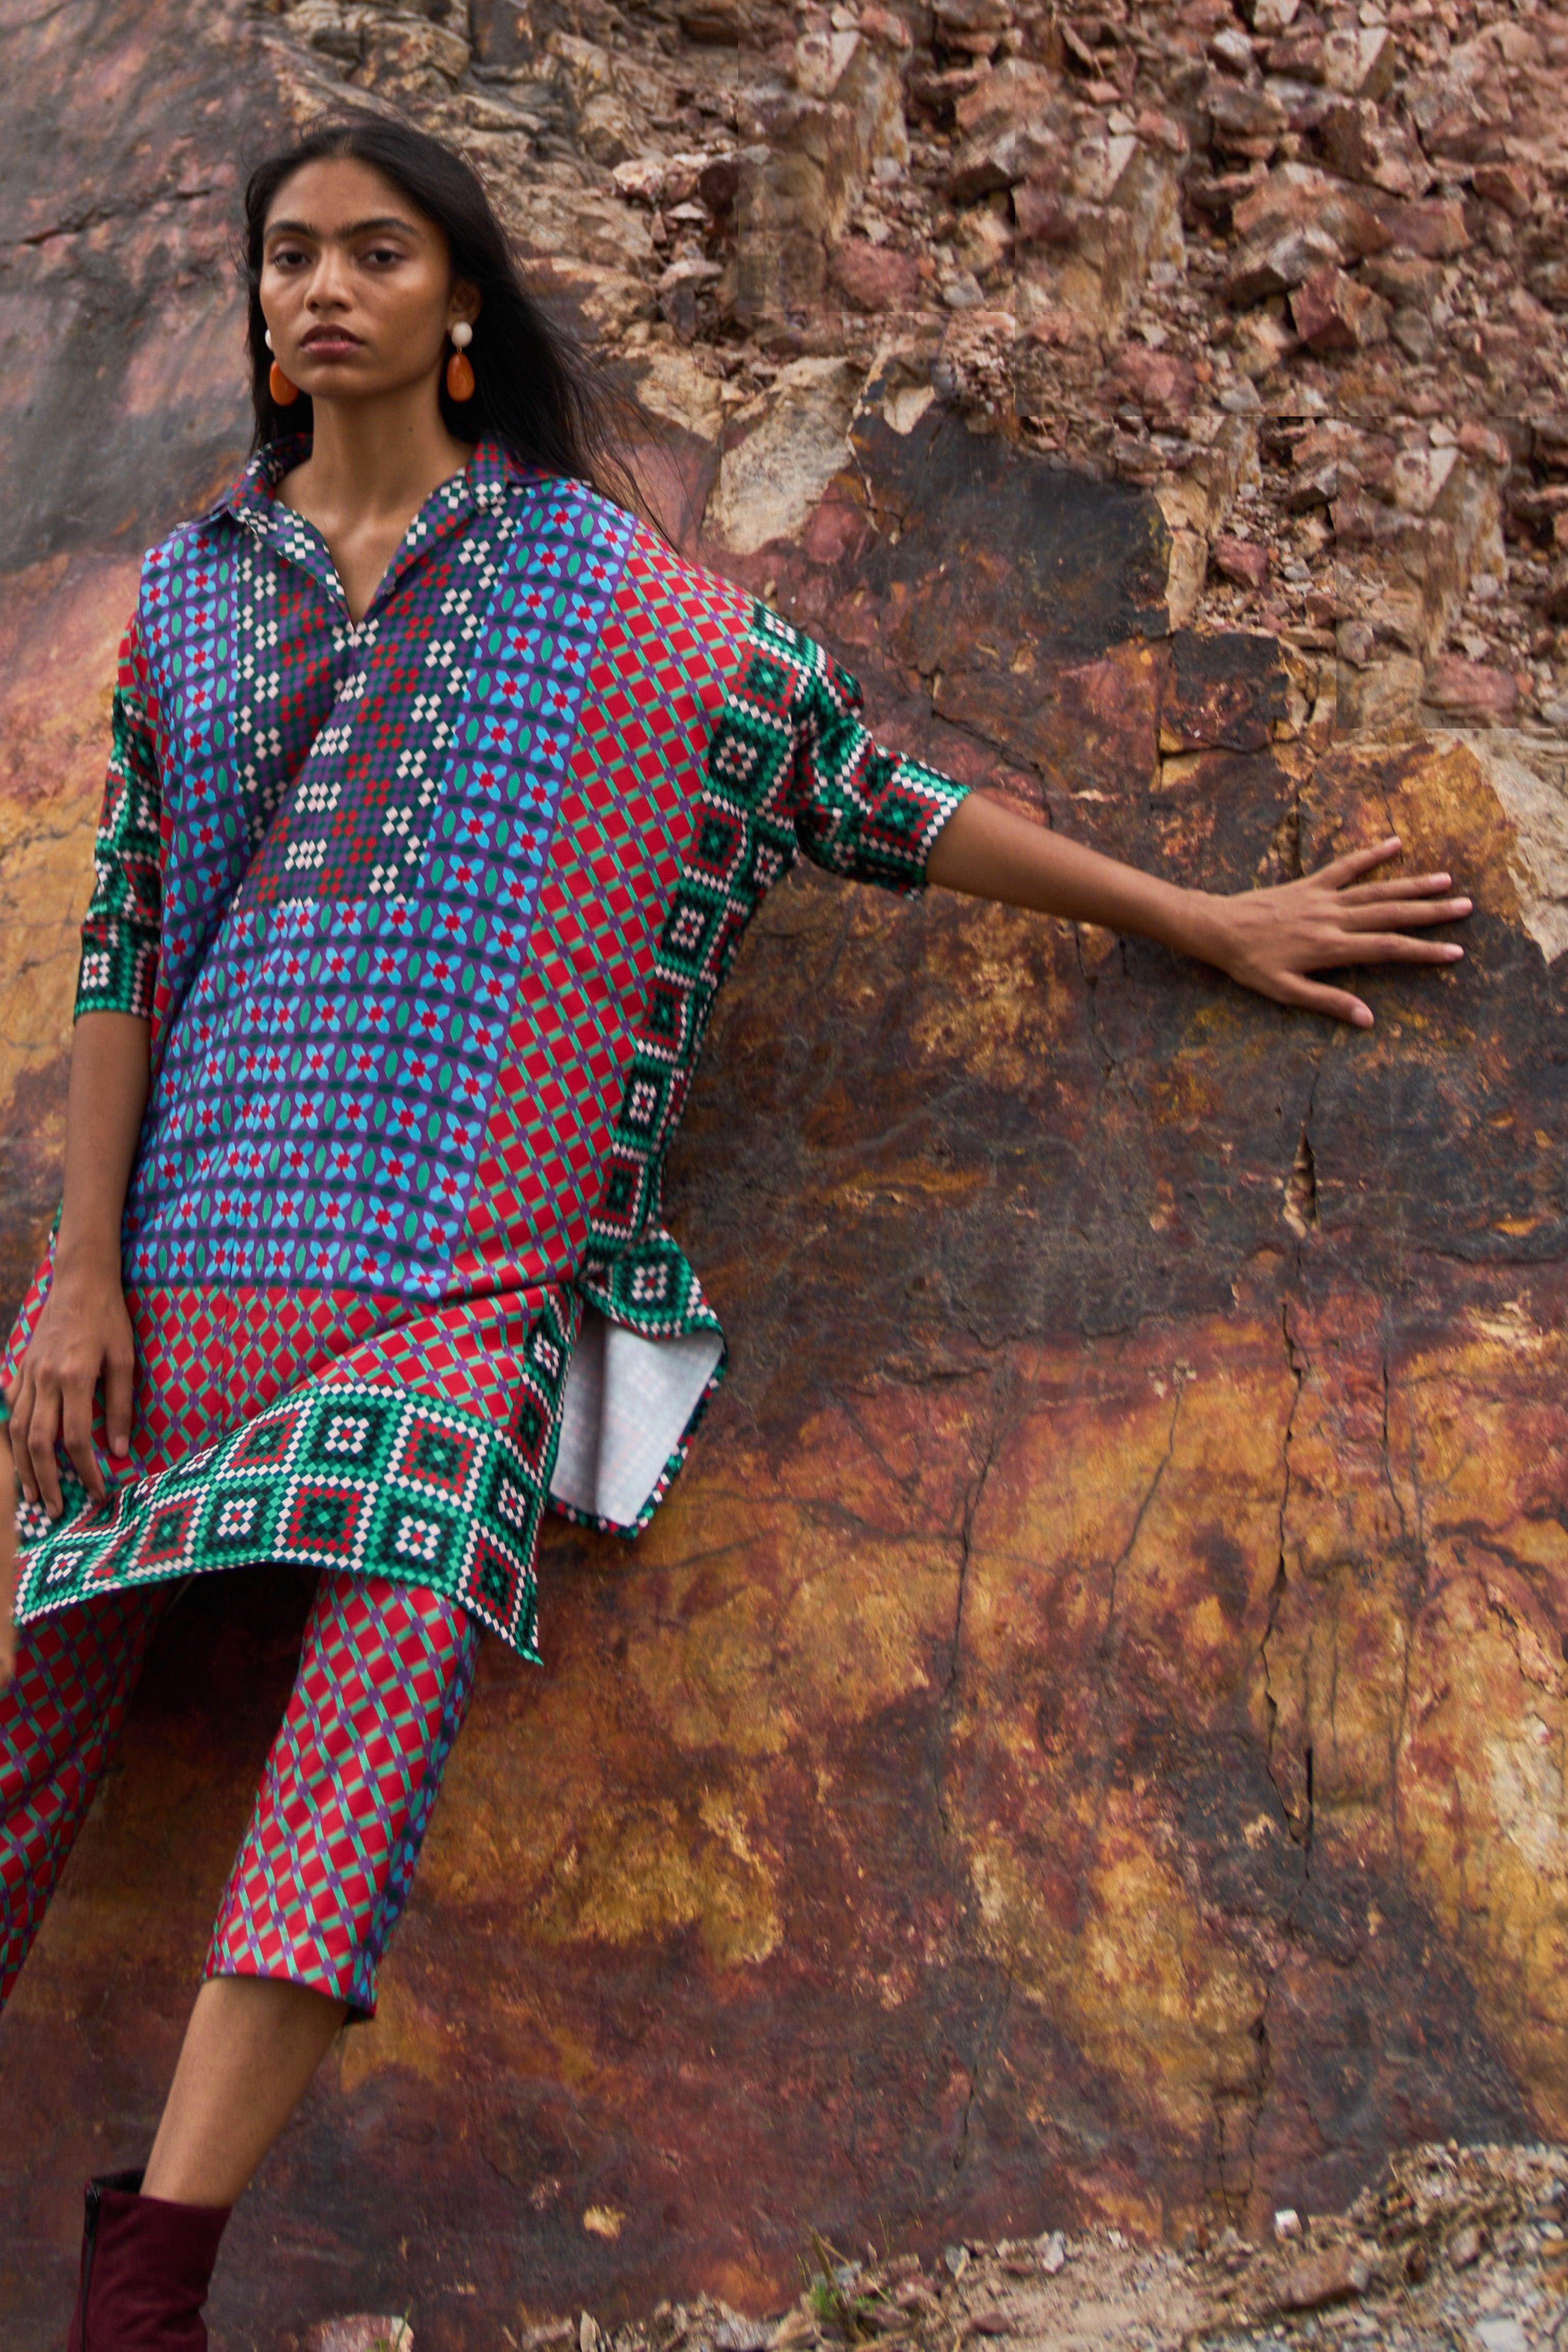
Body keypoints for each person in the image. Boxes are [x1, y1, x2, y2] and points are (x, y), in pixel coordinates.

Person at [0, 114, 1472, 2350]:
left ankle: (148, 2287)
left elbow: (867, 788)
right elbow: (126, 944)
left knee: (360, 1769)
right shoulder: (194, 588)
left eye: (375, 252)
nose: (323, 290)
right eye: (289, 256)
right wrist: (78, 1277)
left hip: (450, 1287)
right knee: (24, 1752)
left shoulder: (609, 593)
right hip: (182, 1264)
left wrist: (1191, 912)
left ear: (460, 301)